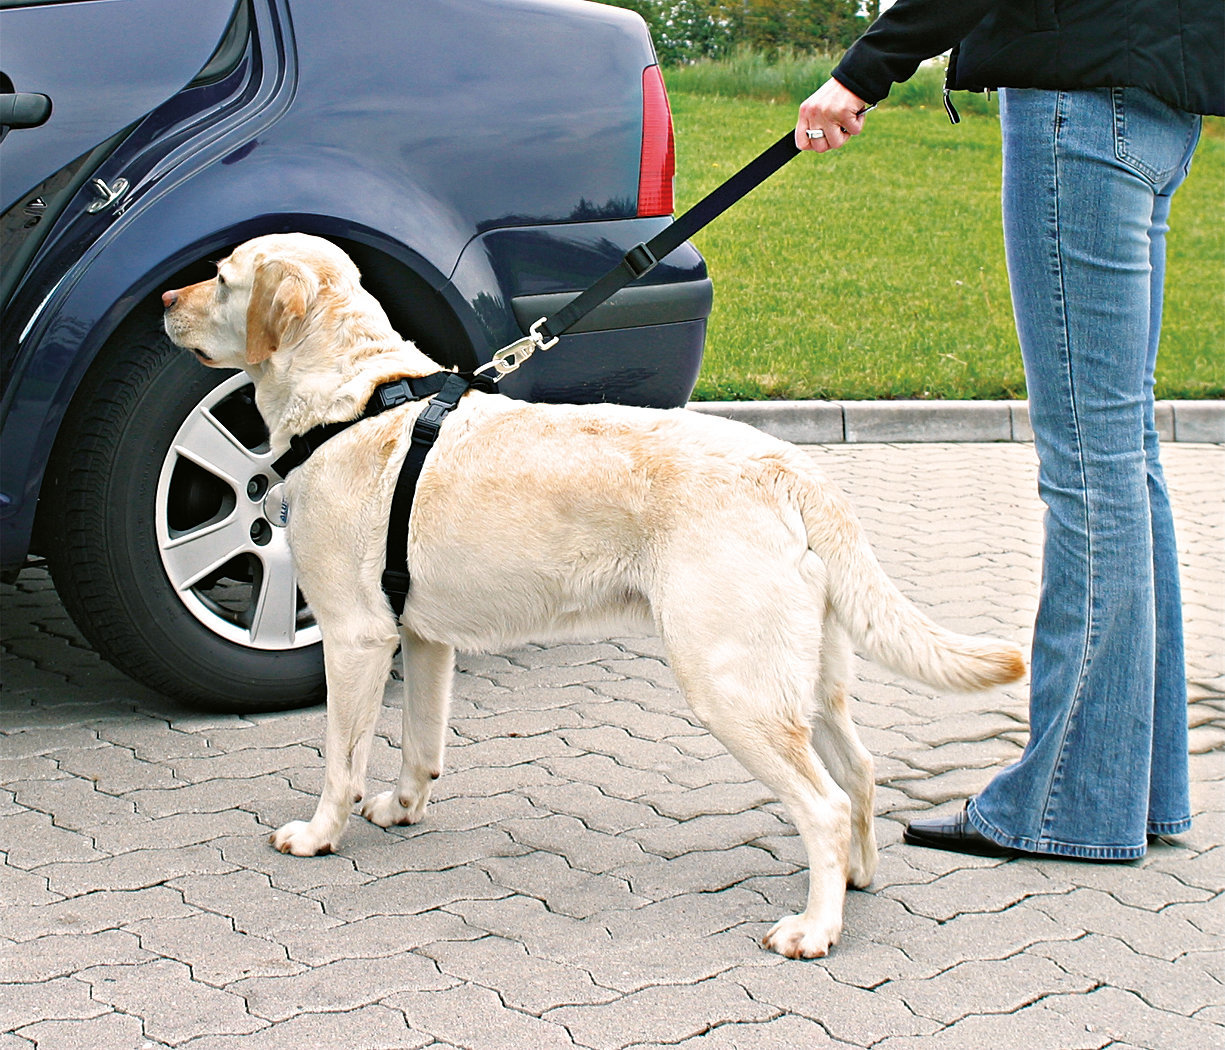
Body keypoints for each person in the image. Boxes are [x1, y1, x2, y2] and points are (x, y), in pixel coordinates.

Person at [795, 0, 1224, 861]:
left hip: (1078, 103)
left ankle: (1066, 803)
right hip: (1161, 108)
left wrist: (863, 69)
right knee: (1124, 458)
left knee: (1093, 472)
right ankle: (1128, 790)